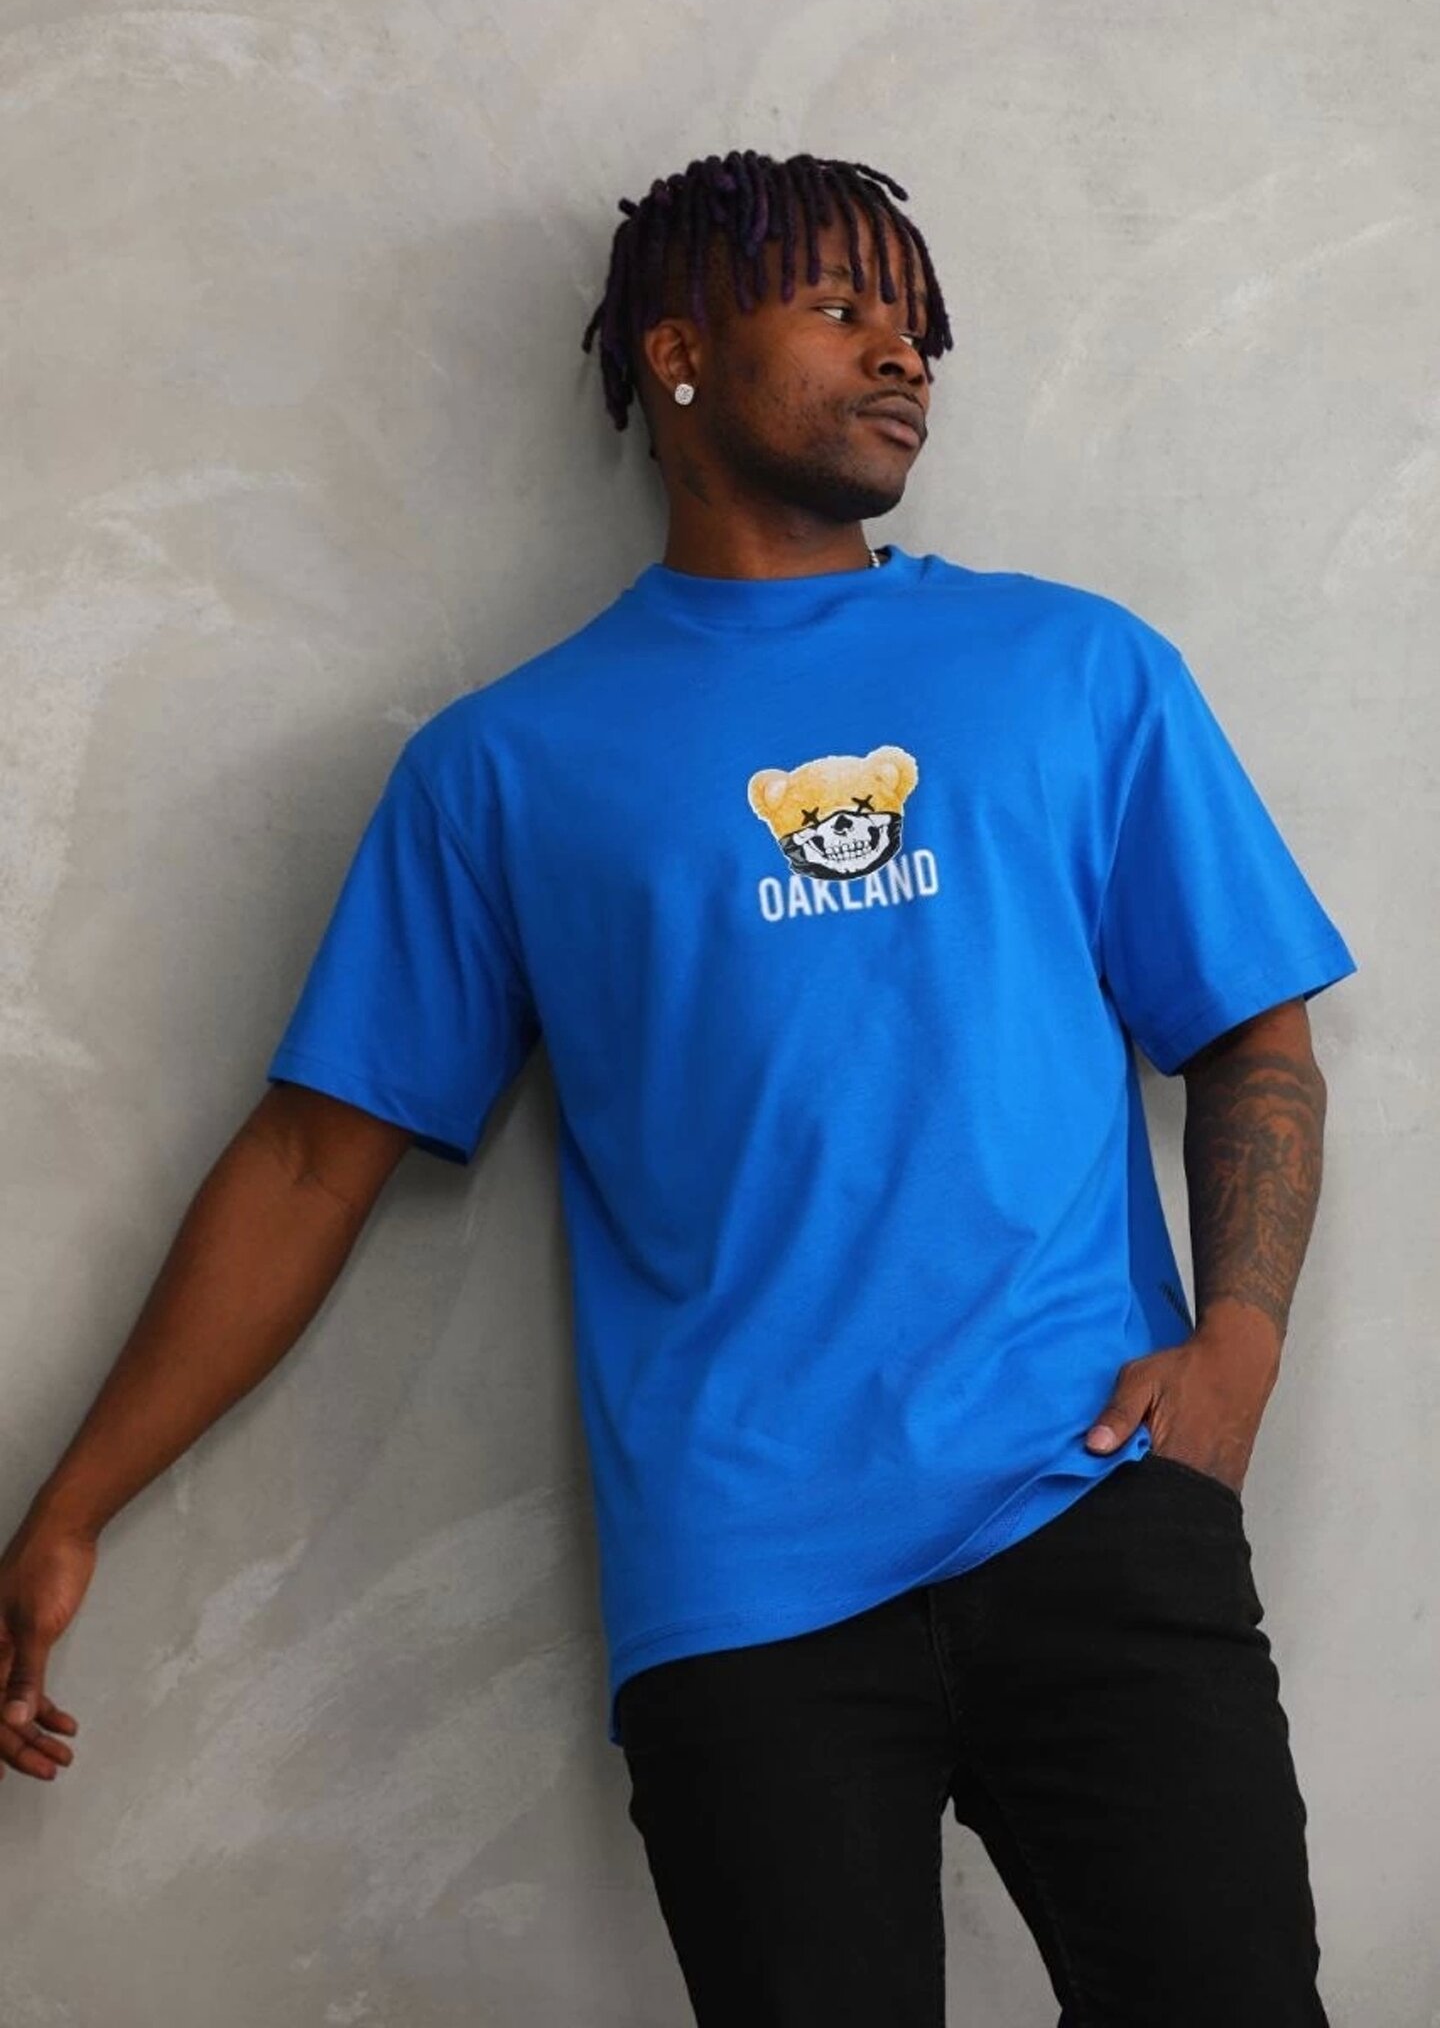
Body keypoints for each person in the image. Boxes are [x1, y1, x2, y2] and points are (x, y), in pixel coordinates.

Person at [0, 150, 1356, 2026]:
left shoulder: (1074, 668)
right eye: (844, 306)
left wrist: (1240, 1353)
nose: (903, 355)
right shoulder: (506, 765)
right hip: (745, 1597)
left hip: (1096, 1500)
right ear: (678, 352)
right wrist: (74, 1503)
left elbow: (1253, 1037)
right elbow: (313, 1160)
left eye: (920, 325)